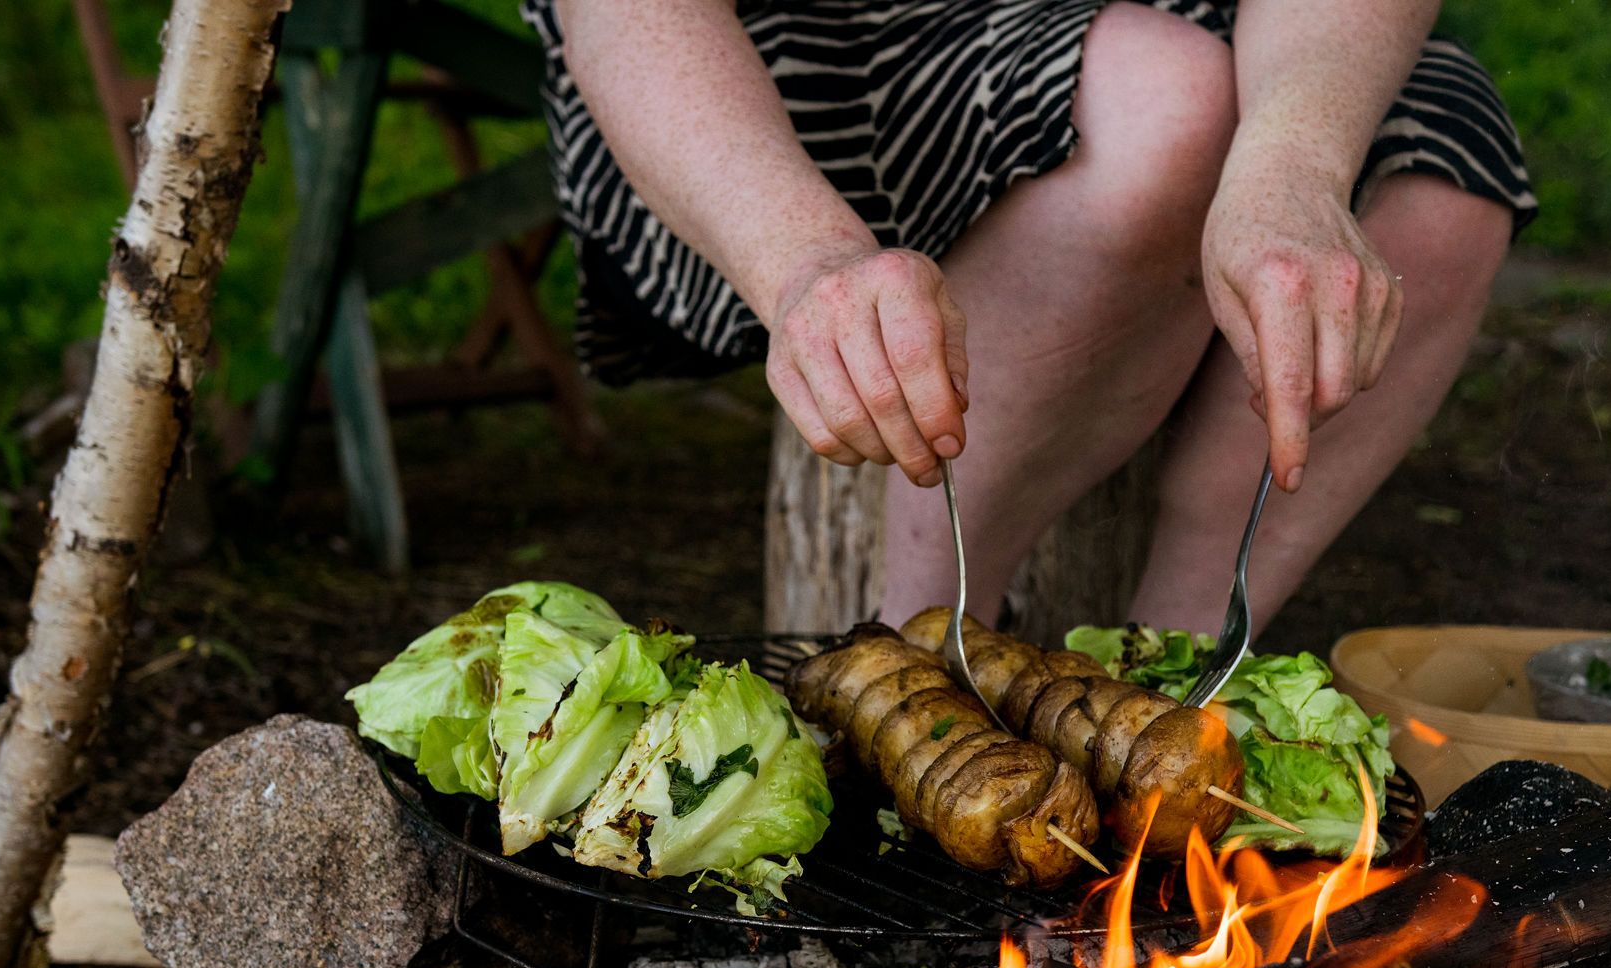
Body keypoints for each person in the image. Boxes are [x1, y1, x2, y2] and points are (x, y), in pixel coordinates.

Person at [523, 0, 1534, 637]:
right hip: (776, 60)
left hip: (1184, 16)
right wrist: (799, 255)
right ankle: (920, 646)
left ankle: (1177, 666)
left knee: (1441, 180)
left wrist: (1291, 173)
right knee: (1162, 101)